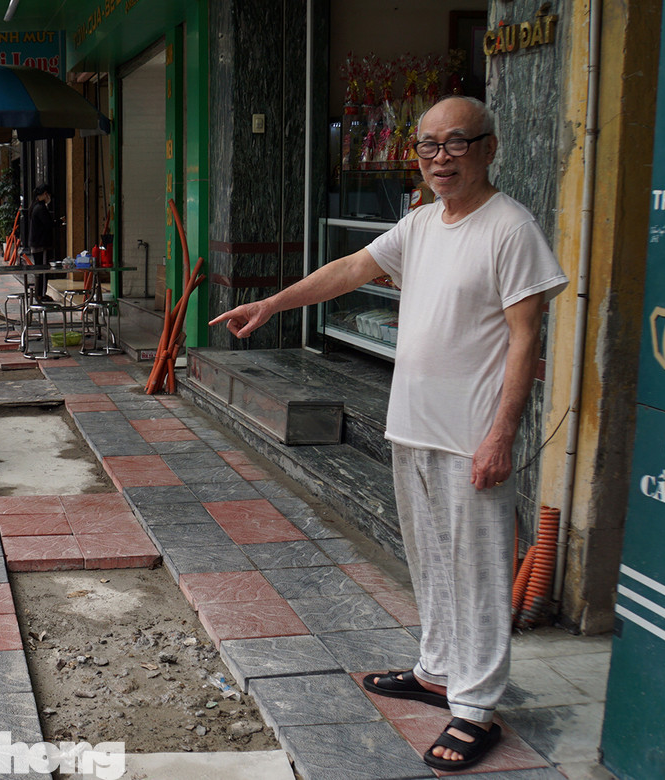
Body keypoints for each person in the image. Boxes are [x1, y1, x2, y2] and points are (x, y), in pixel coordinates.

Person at [211, 95, 567, 772]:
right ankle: (437, 670)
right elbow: (350, 269)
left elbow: (526, 339)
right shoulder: (423, 222)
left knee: (478, 573)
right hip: (414, 425)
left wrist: (502, 435)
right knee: (431, 561)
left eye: (456, 143)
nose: (440, 158)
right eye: (428, 145)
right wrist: (273, 303)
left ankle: (476, 707)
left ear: (489, 148)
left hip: (471, 435)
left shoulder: (511, 228)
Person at [27, 184, 55, 301]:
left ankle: (39, 294)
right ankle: (40, 295)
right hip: (41, 244)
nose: (49, 197)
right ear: (45, 194)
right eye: (48, 194)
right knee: (43, 270)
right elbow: (48, 224)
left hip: (36, 243)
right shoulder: (40, 208)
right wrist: (58, 222)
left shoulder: (35, 206)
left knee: (39, 270)